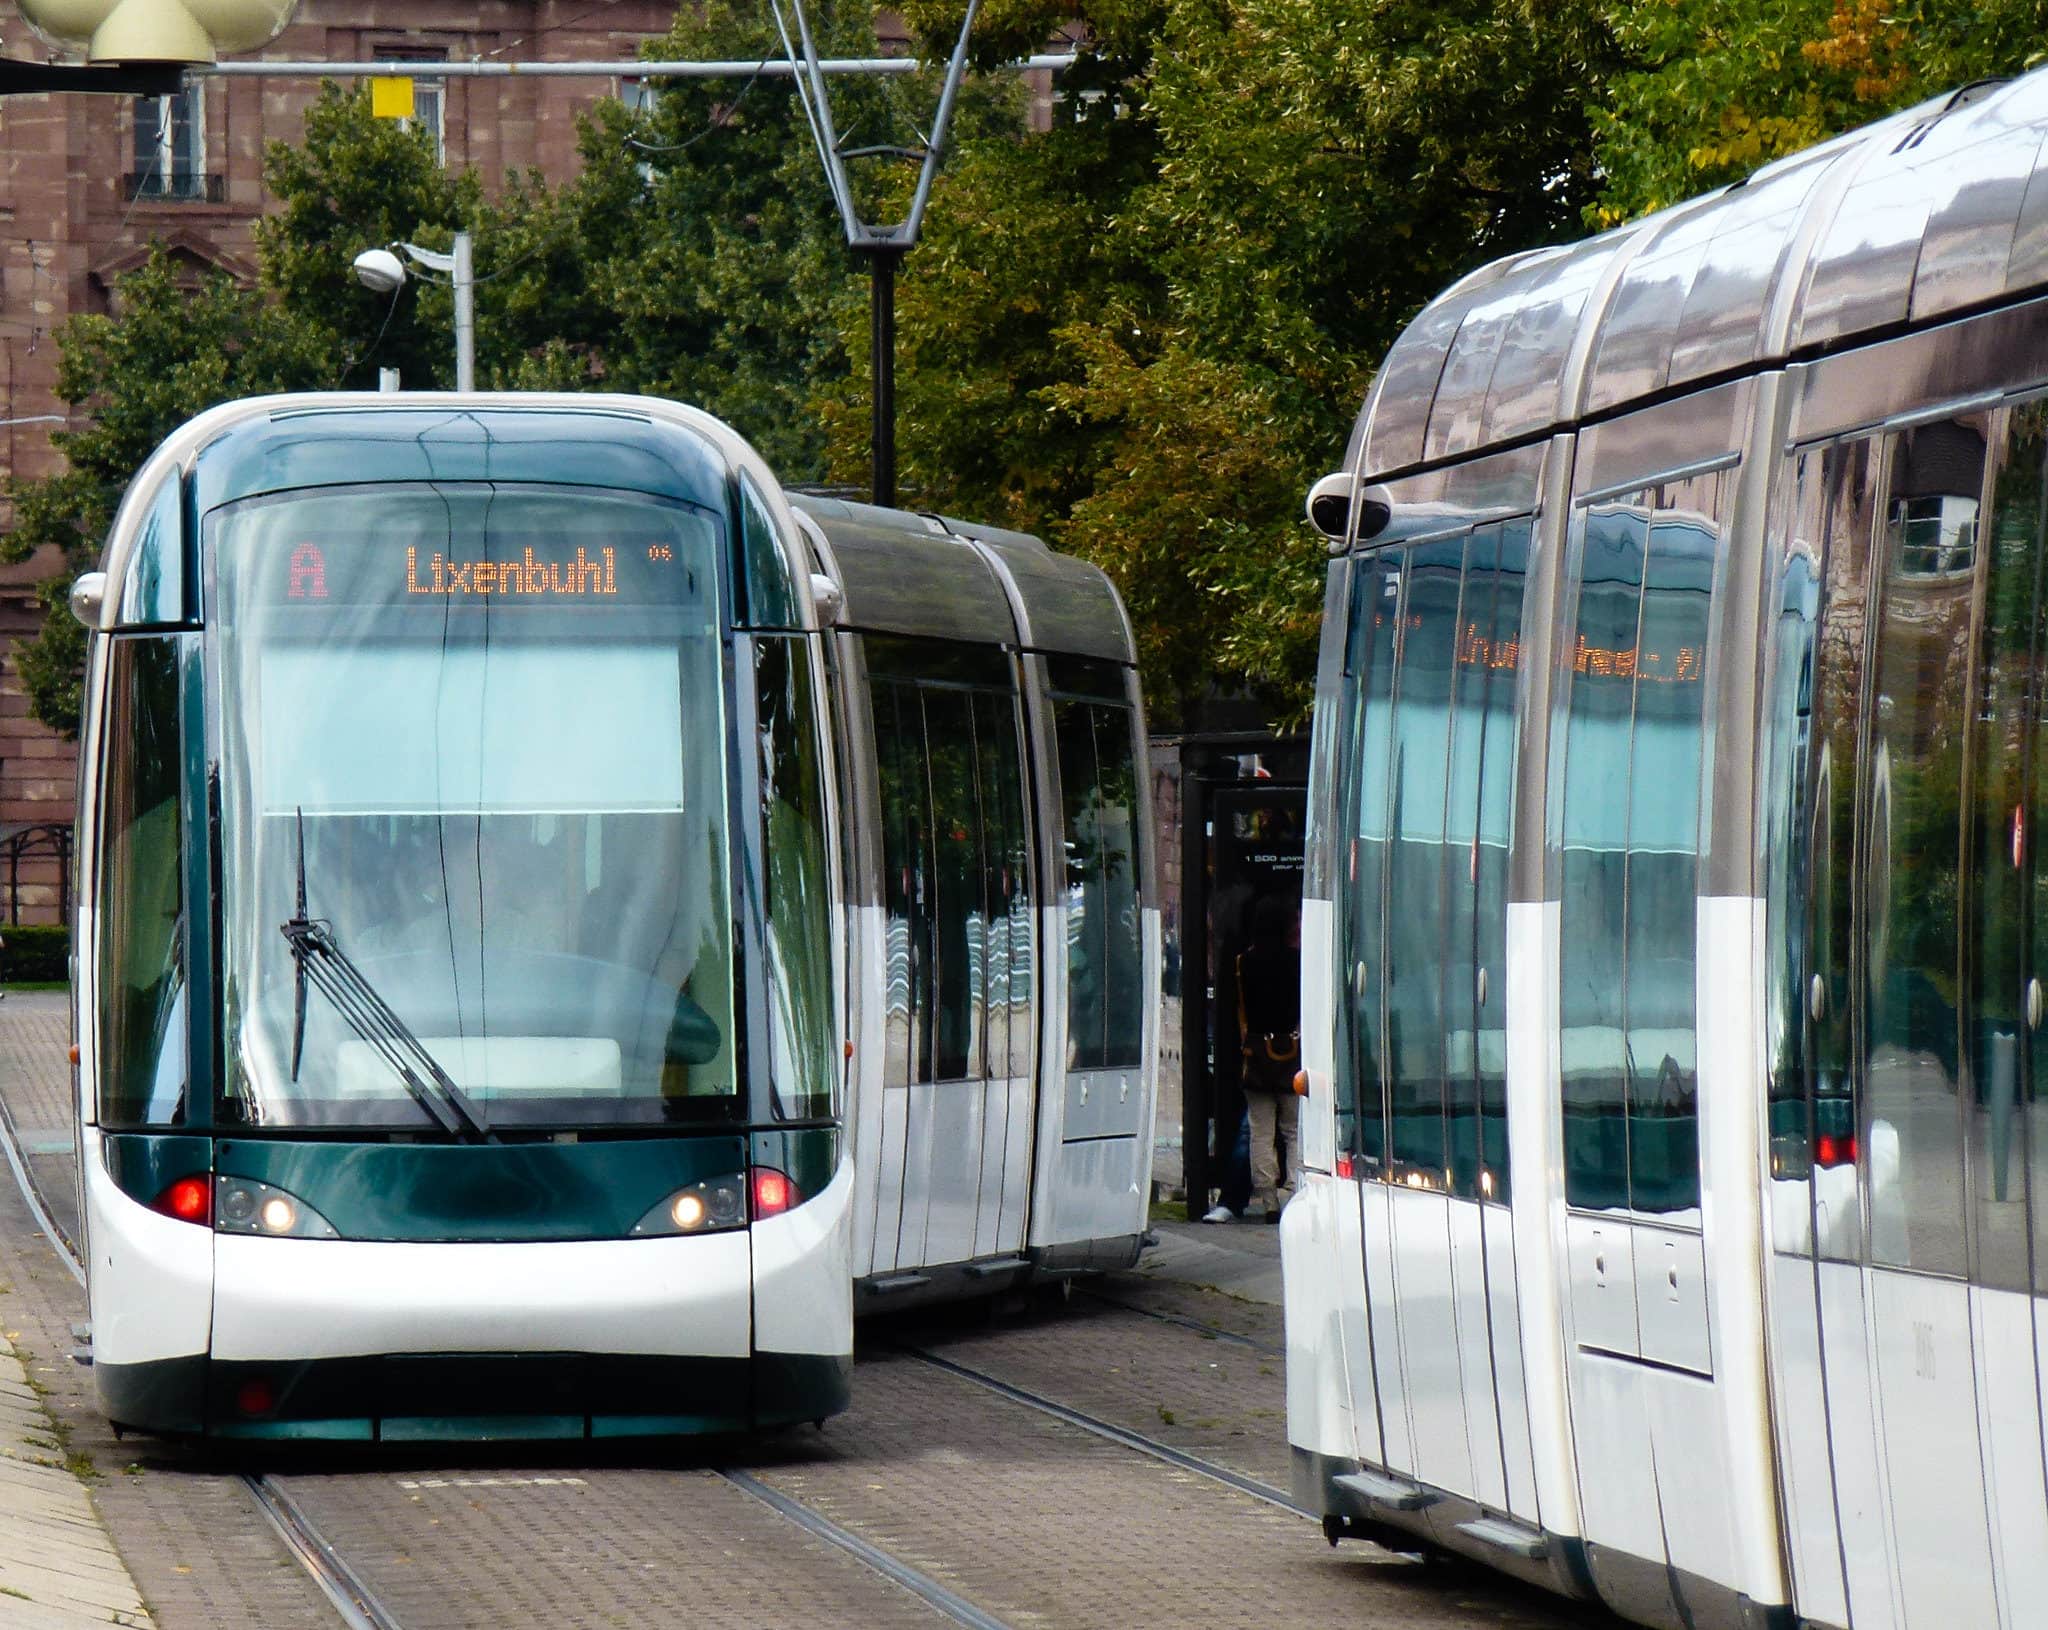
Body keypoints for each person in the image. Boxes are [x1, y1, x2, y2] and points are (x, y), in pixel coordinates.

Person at [1233, 894, 1301, 1221]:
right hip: (1292, 1053)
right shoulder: (1297, 961)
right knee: (1292, 1128)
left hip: (1257, 1054)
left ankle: (1268, 1198)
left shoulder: (1244, 962)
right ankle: (1294, 1191)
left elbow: (1240, 1009)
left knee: (1261, 1130)